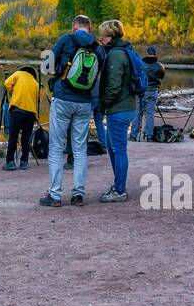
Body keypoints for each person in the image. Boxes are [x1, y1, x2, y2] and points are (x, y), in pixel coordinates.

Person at [39, 15, 102, 207]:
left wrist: (55, 72)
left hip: (63, 98)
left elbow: (46, 64)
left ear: (74, 26)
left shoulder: (66, 39)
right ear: (89, 28)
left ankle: (55, 195)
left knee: (56, 147)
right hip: (84, 102)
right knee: (80, 149)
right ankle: (78, 194)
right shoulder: (98, 47)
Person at [96, 20, 137, 203]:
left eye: (102, 36)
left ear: (109, 36)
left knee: (118, 150)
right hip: (124, 107)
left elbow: (113, 86)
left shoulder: (115, 55)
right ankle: (118, 185)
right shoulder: (123, 50)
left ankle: (120, 189)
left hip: (119, 109)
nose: (100, 39)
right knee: (113, 149)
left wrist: (102, 104)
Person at [1, 66, 39, 171]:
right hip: (31, 113)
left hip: (18, 110)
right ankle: (24, 162)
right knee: (26, 138)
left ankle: (10, 162)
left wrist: (13, 93)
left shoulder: (18, 74)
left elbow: (7, 83)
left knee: (13, 136)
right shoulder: (35, 83)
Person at [138, 46, 165, 141]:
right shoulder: (159, 65)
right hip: (153, 91)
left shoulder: (140, 64)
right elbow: (161, 77)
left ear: (147, 53)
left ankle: (133, 135)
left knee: (137, 113)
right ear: (155, 53)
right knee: (150, 114)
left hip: (141, 90)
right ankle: (149, 136)